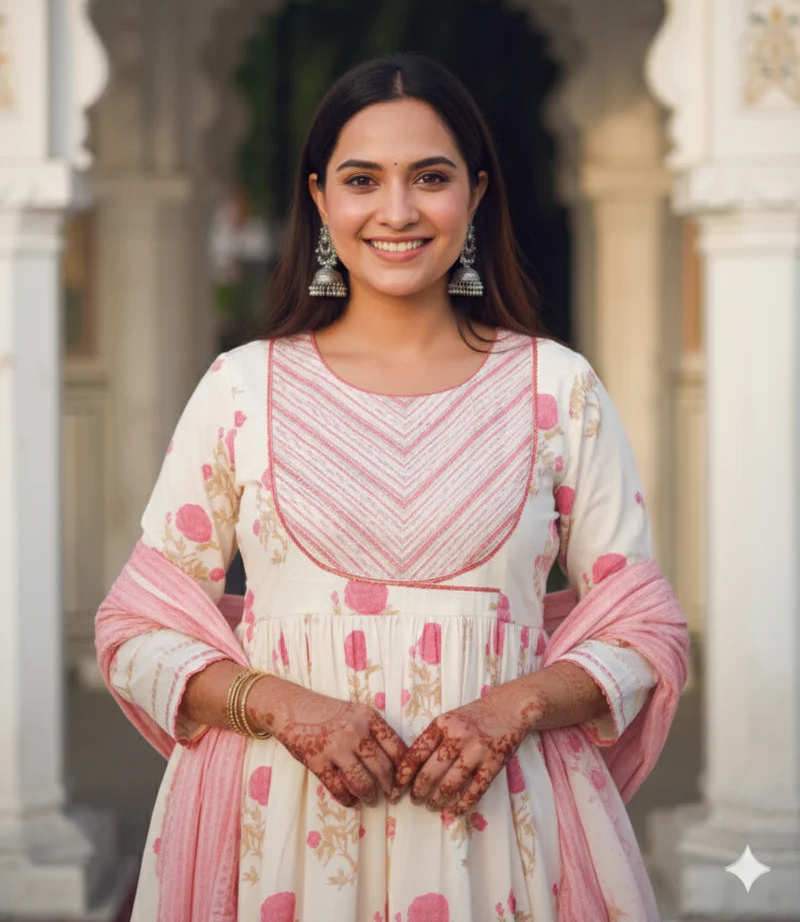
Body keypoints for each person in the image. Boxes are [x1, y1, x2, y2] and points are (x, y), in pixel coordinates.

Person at [96, 52, 689, 922]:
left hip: (507, 840)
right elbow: (136, 632)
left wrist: (515, 706)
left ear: (477, 195)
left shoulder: (557, 391)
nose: (398, 211)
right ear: (321, 199)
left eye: (431, 177)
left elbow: (645, 634)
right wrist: (286, 707)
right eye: (363, 179)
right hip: (276, 837)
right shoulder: (241, 388)